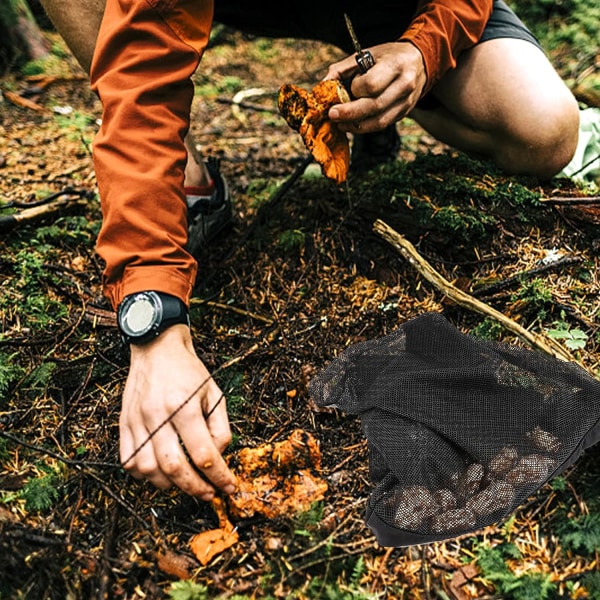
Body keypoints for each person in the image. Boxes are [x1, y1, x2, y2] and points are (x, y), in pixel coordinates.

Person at [39, 0, 580, 500]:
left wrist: (423, 50)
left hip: (391, 5)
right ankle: (189, 179)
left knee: (546, 130)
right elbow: (141, 83)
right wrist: (153, 318)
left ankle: (385, 93)